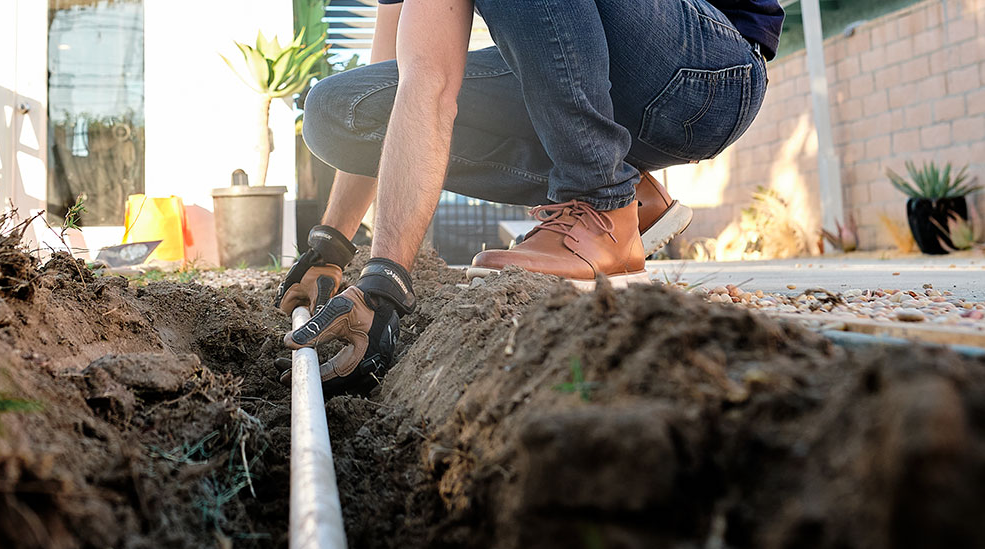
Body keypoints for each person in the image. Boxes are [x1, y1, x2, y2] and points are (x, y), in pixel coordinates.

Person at [278, 0, 781, 394]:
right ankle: (624, 187)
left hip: (707, 68)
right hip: (596, 69)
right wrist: (350, 258)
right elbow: (418, 85)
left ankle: (599, 197)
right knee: (340, 111)